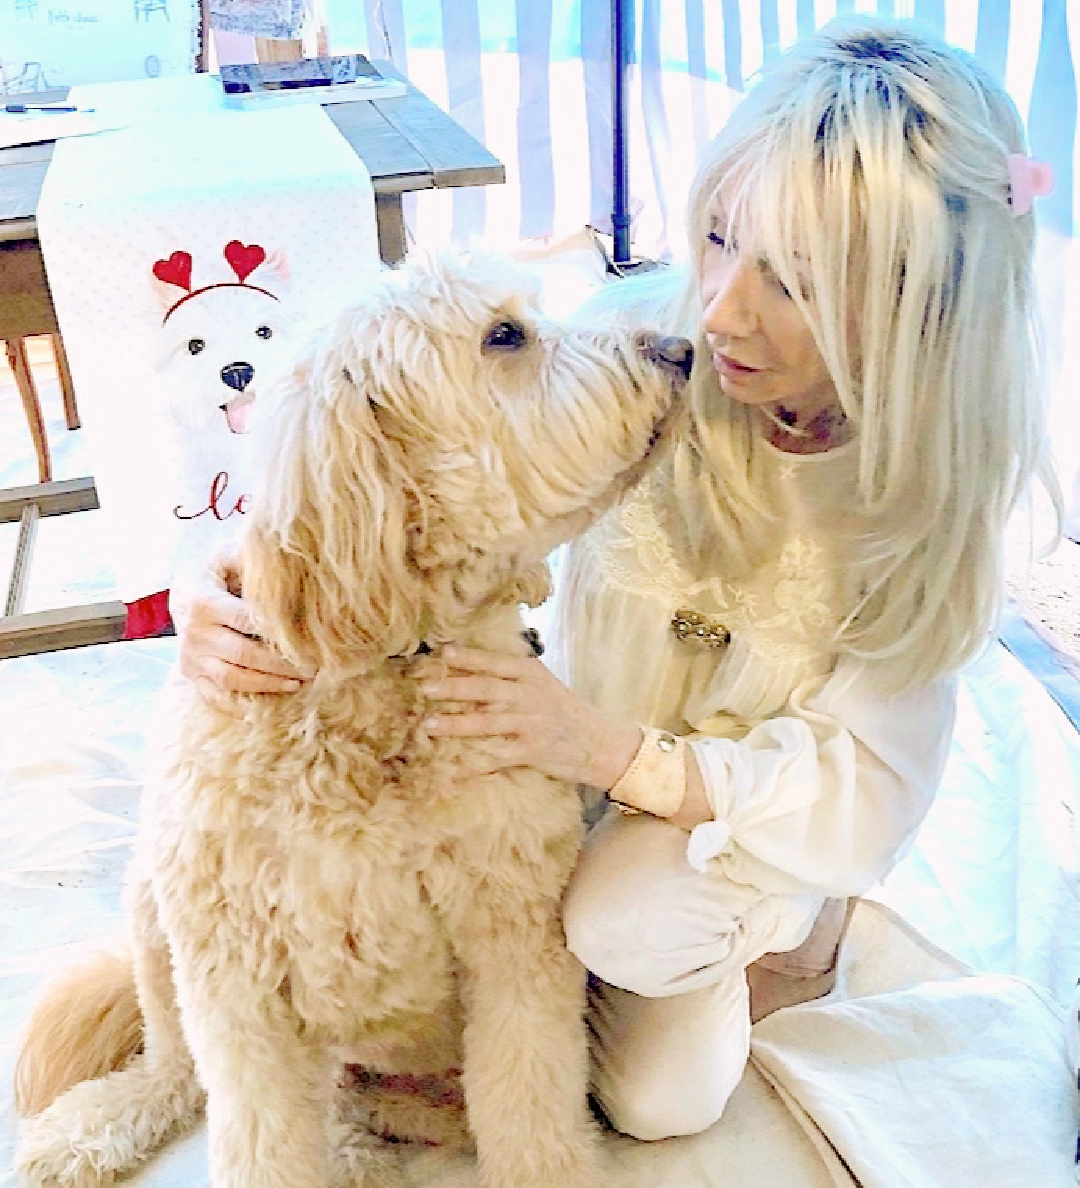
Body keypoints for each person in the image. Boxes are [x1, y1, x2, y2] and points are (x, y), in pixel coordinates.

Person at [173, 17, 1059, 1144]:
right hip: (553, 757)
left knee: (652, 1090)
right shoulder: (644, 343)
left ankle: (792, 925)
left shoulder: (927, 508)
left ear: (912, 301)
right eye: (722, 237)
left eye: (789, 281)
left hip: (722, 804)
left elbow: (868, 791)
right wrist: (231, 581)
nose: (724, 309)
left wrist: (611, 756)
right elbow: (392, 457)